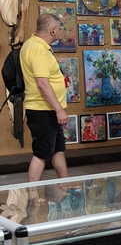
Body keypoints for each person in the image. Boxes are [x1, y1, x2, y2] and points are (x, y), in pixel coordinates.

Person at [20, 13, 69, 181]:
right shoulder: (38, 50)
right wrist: (59, 110)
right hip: (43, 110)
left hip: (47, 109)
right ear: (53, 31)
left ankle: (66, 186)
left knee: (57, 150)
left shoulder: (33, 44)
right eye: (60, 28)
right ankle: (32, 193)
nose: (60, 31)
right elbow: (42, 84)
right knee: (41, 153)